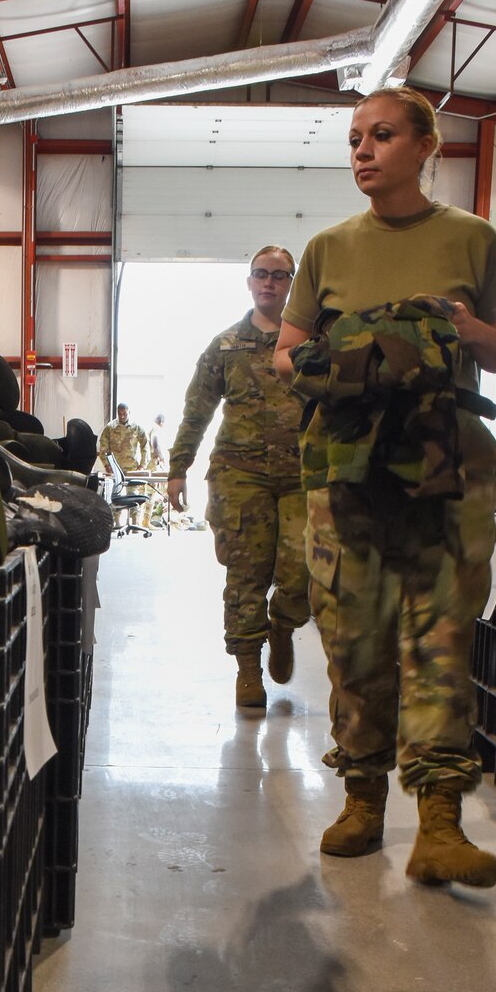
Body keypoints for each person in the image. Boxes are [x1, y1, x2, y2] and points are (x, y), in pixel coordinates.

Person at [273, 86, 496, 889]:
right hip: (346, 471)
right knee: (353, 636)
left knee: (441, 638)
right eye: (354, 138)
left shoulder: (472, 239)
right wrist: (351, 359)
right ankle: (359, 800)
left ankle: (441, 823)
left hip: (446, 467)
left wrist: (459, 325)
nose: (362, 150)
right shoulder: (325, 249)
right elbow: (285, 354)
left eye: (381, 136)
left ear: (425, 147)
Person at [167, 246, 309, 710]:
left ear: (292, 283)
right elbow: (196, 410)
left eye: (280, 276)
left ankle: (283, 624)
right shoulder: (226, 345)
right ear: (250, 281)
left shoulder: (310, 346)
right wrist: (178, 468)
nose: (269, 283)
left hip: (301, 476)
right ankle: (248, 667)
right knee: (245, 576)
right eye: (261, 274)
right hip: (239, 475)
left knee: (301, 571)